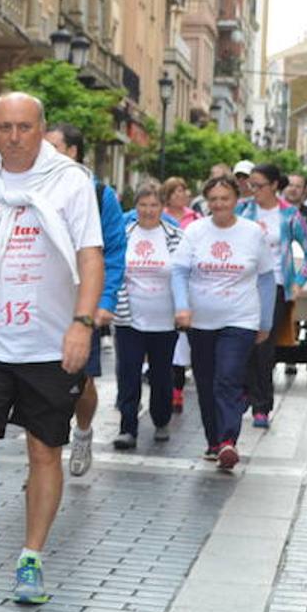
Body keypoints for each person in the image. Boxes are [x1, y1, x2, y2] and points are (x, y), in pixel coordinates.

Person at [0, 92, 104, 607]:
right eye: (5, 127)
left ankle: (31, 557)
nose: (14, 137)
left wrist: (81, 324)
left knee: (43, 451)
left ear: (41, 128)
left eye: (25, 127)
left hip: (48, 342)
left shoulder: (70, 183)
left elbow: (90, 257)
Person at [173, 175, 275, 470]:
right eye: (213, 199)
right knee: (205, 381)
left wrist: (265, 321)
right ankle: (214, 441)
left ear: (235, 200)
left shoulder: (252, 232)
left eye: (225, 198)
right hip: (201, 320)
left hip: (240, 318)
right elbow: (179, 271)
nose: (219, 204)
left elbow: (267, 278)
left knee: (227, 377)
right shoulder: (195, 231)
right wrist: (182, 306)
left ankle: (228, 440)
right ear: (207, 201)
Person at [44, 124, 124, 477]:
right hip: (43, 302)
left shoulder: (100, 195)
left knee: (82, 382)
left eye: (53, 146)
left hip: (83, 303)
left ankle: (83, 431)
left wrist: (104, 300)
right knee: (41, 379)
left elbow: (115, 251)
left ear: (73, 152)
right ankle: (43, 454)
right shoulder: (34, 188)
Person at [236, 163, 307, 428]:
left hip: (275, 286)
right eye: (251, 185)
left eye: (258, 185)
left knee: (263, 345)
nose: (253, 190)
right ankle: (245, 392)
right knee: (242, 342)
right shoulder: (243, 211)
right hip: (241, 286)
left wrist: (298, 281)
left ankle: (262, 406)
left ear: (273, 186)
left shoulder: (289, 215)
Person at [111, 182, 183, 450]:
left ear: (162, 207)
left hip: (164, 319)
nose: (148, 210)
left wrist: (183, 310)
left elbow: (183, 274)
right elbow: (114, 271)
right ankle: (127, 426)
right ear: (135, 207)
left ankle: (161, 419)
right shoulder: (124, 233)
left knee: (162, 374)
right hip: (130, 317)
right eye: (143, 205)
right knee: (128, 373)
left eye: (154, 205)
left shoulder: (175, 236)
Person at [160, 177, 198, 410]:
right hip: (160, 285)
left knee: (181, 340)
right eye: (175, 191)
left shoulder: (194, 219)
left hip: (185, 284)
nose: (180, 194)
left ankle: (177, 389)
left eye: (183, 190)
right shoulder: (158, 215)